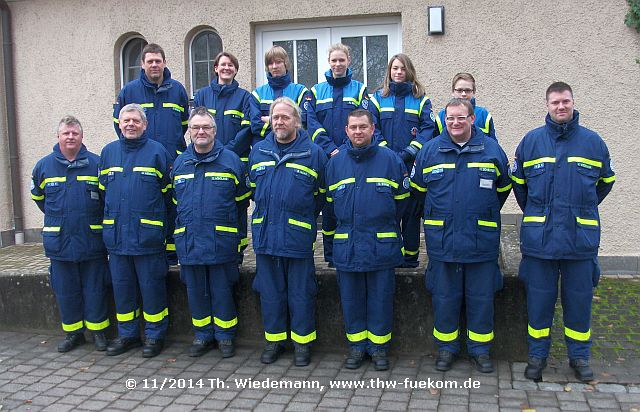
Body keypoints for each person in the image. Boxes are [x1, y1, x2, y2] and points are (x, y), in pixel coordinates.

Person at [511, 82, 615, 382]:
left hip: (578, 241)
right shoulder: (530, 142)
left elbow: (605, 183)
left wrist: (581, 208)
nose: (561, 107)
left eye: (565, 101)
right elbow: (520, 186)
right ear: (547, 105)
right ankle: (537, 356)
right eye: (555, 102)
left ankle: (579, 357)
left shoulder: (594, 143)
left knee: (579, 303)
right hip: (540, 242)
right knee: (539, 303)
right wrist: (537, 211)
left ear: (573, 102)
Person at [411, 98, 511, 373]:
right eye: (450, 118)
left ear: (471, 119)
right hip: (443, 241)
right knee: (445, 298)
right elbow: (419, 192)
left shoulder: (492, 151)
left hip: (481, 240)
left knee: (481, 298)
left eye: (460, 117)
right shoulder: (430, 152)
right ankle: (446, 349)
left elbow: (503, 189)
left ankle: (480, 351)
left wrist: (481, 212)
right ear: (444, 121)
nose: (455, 122)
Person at [325, 109, 409, 370]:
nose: (358, 132)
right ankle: (357, 347)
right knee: (351, 300)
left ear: (373, 129)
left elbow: (402, 205)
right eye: (353, 127)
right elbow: (329, 210)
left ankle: (379, 348)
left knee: (381, 299)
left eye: (363, 127)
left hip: (380, 244)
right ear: (346, 130)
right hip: (347, 246)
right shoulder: (335, 164)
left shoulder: (391, 160)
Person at [248, 97, 327, 367]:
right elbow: (253, 191)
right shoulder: (258, 151)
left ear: (296, 120)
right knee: (271, 292)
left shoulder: (313, 153)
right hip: (266, 236)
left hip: (297, 235)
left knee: (301, 292)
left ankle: (302, 343)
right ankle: (275, 341)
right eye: (275, 117)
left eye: (285, 117)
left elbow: (321, 196)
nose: (279, 122)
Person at [171, 107, 250, 358]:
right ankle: (203, 335)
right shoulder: (180, 163)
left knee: (221, 291)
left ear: (214, 131)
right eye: (195, 127)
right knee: (196, 292)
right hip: (190, 240)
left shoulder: (231, 161)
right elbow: (175, 205)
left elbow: (241, 204)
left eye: (206, 127)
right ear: (189, 132)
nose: (201, 131)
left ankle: (225, 337)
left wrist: (240, 243)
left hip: (221, 242)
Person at [99, 104, 174, 358]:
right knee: (123, 289)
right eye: (125, 120)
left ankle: (154, 335)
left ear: (145, 125)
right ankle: (128, 334)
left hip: (148, 238)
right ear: (119, 124)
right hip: (118, 238)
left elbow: (168, 195)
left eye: (135, 120)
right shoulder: (108, 153)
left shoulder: (157, 152)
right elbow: (102, 194)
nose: (130, 124)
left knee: (152, 288)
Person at [31, 116, 110, 353]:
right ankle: (73, 333)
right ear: (58, 137)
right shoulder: (43, 167)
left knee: (95, 288)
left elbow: (106, 198)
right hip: (60, 241)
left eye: (75, 133)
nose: (70, 137)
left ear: (82, 136)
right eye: (66, 133)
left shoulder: (96, 164)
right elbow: (39, 198)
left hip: (91, 239)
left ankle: (98, 332)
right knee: (66, 290)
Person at [112, 43, 187, 262]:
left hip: (172, 160)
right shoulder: (129, 91)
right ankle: (151, 248)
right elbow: (121, 125)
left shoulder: (177, 90)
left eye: (158, 61)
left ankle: (172, 252)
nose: (154, 65)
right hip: (141, 161)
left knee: (172, 204)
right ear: (142, 64)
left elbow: (182, 125)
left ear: (164, 63)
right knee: (146, 203)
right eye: (150, 61)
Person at [369, 53, 436, 268]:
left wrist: (408, 153)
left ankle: (410, 258)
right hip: (383, 164)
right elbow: (373, 128)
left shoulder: (421, 99)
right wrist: (387, 154)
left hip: (411, 164)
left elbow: (427, 130)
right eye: (394, 68)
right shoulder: (377, 98)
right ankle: (387, 255)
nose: (398, 72)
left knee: (410, 213)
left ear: (409, 72)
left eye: (402, 68)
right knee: (385, 211)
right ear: (389, 71)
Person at [307, 43, 369, 267]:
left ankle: (352, 251)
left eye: (341, 60)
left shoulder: (360, 90)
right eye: (334, 60)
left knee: (349, 201)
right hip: (325, 157)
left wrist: (343, 149)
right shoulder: (315, 91)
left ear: (349, 61)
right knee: (328, 204)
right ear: (329, 62)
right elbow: (311, 123)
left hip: (351, 156)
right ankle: (331, 256)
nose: (337, 64)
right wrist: (330, 148)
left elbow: (361, 121)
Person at [193, 51, 252, 263]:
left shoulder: (245, 97)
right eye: (223, 65)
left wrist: (226, 153)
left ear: (235, 70)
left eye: (231, 65)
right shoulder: (202, 95)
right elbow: (197, 126)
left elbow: (247, 128)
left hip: (233, 161)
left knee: (237, 206)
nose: (227, 68)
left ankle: (237, 253)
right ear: (216, 68)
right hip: (204, 161)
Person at [249, 46, 310, 145]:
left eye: (278, 62)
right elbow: (256, 126)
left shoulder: (300, 91)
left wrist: (270, 120)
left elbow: (303, 121)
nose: (274, 66)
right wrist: (284, 128)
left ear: (285, 64)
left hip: (295, 147)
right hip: (265, 149)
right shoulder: (258, 94)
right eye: (270, 63)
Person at [435, 73, 497, 139]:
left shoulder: (483, 115)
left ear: (473, 92)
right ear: (453, 92)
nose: (463, 94)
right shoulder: (441, 116)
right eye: (459, 90)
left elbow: (493, 144)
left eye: (467, 90)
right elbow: (434, 143)